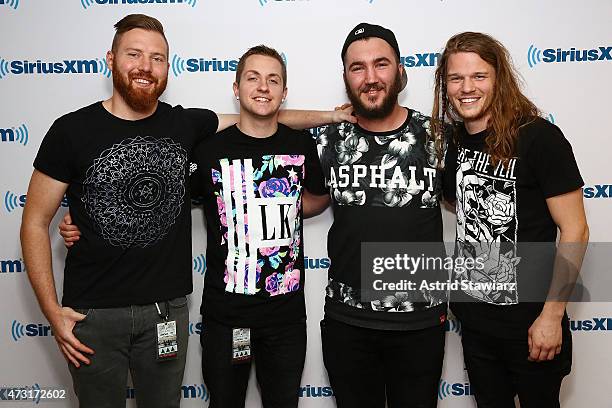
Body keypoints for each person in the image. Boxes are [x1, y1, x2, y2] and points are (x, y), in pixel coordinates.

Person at [22, 14, 350, 408]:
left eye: (157, 58)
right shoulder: (71, 130)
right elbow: (35, 222)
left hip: (167, 311)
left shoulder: (183, 124)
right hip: (95, 314)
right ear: (110, 59)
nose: (146, 66)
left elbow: (263, 118)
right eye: (134, 54)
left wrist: (331, 116)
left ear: (167, 67)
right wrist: (53, 308)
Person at [432, 32, 589, 407]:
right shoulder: (455, 141)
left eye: (479, 76)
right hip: (477, 324)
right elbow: (457, 202)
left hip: (532, 324)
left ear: (499, 78)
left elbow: (576, 229)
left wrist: (552, 316)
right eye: (456, 78)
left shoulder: (539, 138)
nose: (466, 88)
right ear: (445, 85)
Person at [312, 23, 453, 408]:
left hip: (420, 323)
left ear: (400, 71)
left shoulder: (438, 136)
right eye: (357, 67)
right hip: (347, 321)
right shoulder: (327, 137)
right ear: (345, 77)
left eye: (381, 64)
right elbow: (262, 120)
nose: (370, 78)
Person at [191, 44, 329, 408]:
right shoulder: (207, 150)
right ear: (236, 88)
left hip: (284, 318)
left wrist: (273, 207)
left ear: (284, 93)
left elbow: (317, 198)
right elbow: (172, 203)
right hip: (226, 315)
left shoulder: (300, 145)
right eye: (253, 78)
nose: (263, 87)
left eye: (273, 80)